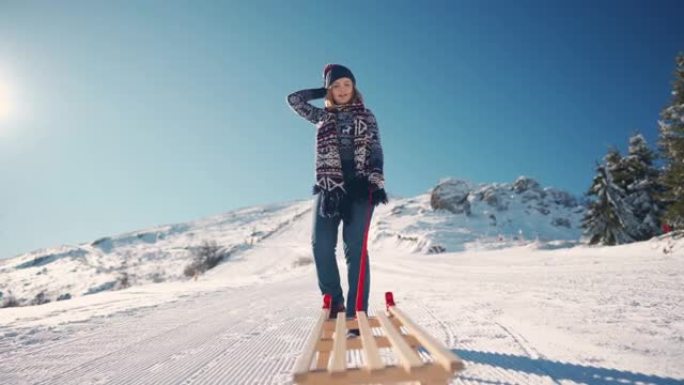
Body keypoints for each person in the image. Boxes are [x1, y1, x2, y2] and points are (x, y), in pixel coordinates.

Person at [286, 64, 388, 324]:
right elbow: (294, 99)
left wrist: (375, 180)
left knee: (355, 248)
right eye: (337, 85)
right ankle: (334, 302)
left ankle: (356, 313)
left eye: (347, 84)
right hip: (329, 188)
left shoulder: (367, 115)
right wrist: (323, 88)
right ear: (330, 89)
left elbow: (375, 148)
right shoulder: (321, 116)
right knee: (320, 244)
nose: (342, 90)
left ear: (354, 88)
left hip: (360, 187)